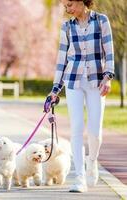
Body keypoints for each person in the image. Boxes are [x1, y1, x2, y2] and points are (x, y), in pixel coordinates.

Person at [48, 0, 114, 193]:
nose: (67, 9)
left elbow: (109, 52)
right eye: (65, 6)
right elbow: (62, 59)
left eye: (70, 4)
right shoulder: (66, 26)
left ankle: (91, 160)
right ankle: (79, 178)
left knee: (95, 132)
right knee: (76, 128)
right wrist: (55, 89)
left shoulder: (101, 21)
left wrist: (108, 76)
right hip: (73, 80)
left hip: (97, 81)